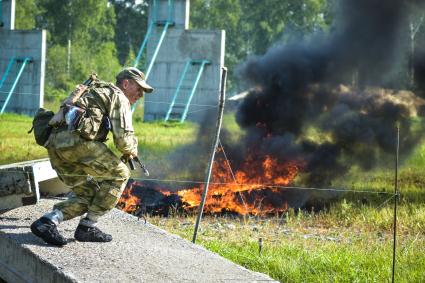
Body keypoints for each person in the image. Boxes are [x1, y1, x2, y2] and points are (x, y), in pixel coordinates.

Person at [30, 67, 153, 246]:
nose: (141, 94)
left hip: (55, 145)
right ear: (126, 83)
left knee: (88, 194)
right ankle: (88, 227)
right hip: (77, 144)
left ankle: (48, 222)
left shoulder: (94, 91)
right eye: (139, 89)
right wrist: (132, 149)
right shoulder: (119, 96)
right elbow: (123, 141)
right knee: (120, 174)